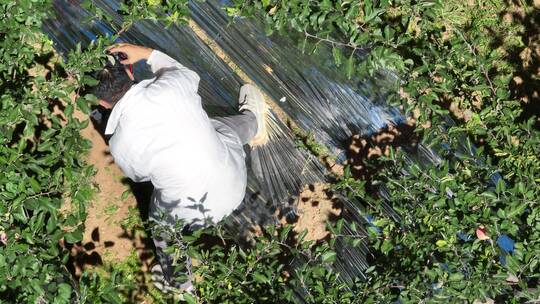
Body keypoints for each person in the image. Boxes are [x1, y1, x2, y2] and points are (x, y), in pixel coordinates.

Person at [90, 43, 267, 292]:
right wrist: (147, 54)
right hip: (235, 182)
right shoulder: (172, 86)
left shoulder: (121, 145)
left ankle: (182, 286)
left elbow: (139, 177)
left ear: (100, 102)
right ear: (130, 71)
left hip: (198, 212)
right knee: (216, 128)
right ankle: (254, 121)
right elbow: (183, 72)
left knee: (161, 225)